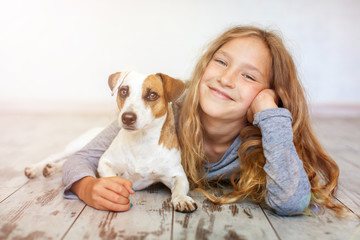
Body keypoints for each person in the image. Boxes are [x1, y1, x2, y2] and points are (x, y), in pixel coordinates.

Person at [62, 25, 345, 216]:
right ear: (205, 65)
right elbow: (84, 156)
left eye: (248, 76)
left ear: (268, 93)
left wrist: (269, 112)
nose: (226, 78)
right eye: (221, 62)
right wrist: (86, 186)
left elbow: (292, 201)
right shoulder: (163, 111)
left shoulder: (260, 143)